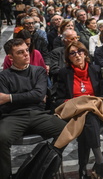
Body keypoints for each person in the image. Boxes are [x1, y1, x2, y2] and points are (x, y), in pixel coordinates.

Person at [0, 38, 66, 179]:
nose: (26, 54)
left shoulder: (39, 72)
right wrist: (30, 96)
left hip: (38, 114)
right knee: (1, 138)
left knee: (66, 130)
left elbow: (38, 95)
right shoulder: (3, 77)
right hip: (14, 117)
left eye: (26, 50)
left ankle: (40, 166)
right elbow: (3, 102)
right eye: (20, 52)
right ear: (10, 57)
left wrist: (10, 97)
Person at [55, 41, 103, 179]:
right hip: (74, 112)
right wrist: (77, 103)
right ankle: (100, 163)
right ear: (68, 57)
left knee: (87, 118)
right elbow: (58, 99)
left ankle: (82, 170)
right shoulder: (64, 73)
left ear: (85, 54)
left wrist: (93, 103)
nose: (77, 55)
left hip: (95, 110)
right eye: (72, 53)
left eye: (80, 51)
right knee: (87, 117)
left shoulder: (95, 70)